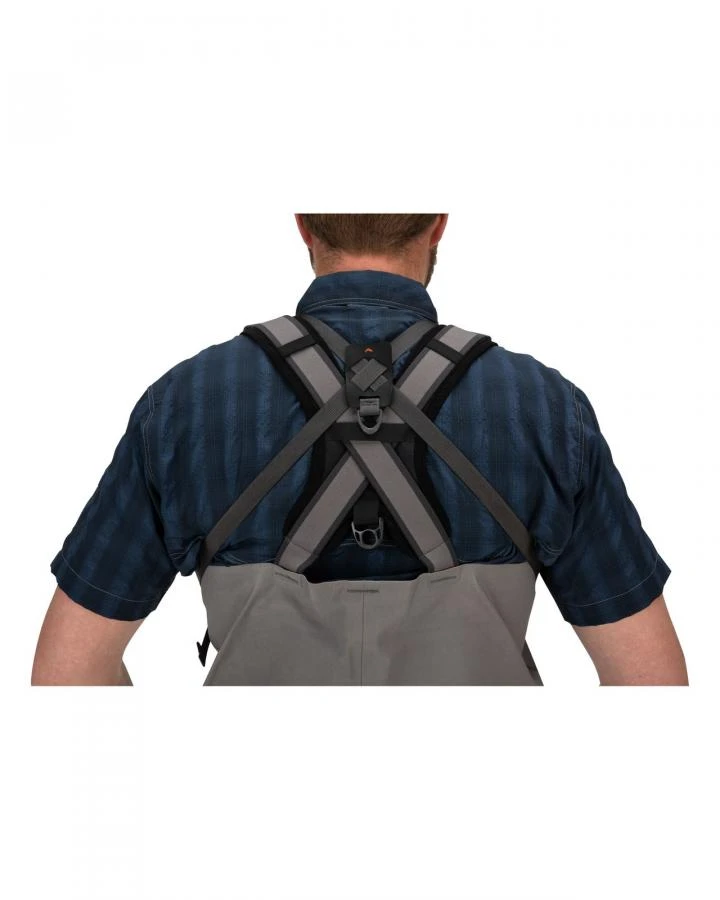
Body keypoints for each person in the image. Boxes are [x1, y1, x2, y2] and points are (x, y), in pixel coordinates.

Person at [32, 214, 688, 686]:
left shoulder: (186, 405)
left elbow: (67, 675)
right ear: (437, 223)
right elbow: (650, 684)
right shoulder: (544, 409)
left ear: (303, 226)